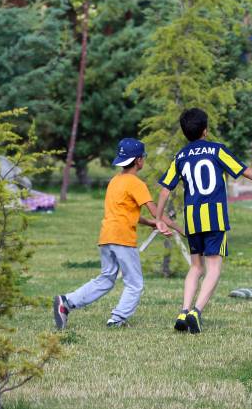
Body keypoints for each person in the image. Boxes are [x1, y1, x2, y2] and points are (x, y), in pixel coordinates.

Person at [154, 108, 252, 334]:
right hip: (214, 217)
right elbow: (242, 170)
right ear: (206, 130)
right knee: (213, 268)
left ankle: (183, 311)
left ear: (185, 133)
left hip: (193, 218)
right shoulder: (216, 150)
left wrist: (158, 219)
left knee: (196, 267)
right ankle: (196, 311)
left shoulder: (180, 157)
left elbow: (165, 190)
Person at [52, 138, 179, 330]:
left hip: (107, 237)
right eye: (143, 157)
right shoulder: (136, 183)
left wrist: (151, 223)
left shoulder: (115, 181)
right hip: (123, 238)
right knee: (135, 283)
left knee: (106, 278)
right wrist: (176, 228)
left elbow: (127, 213)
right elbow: (156, 211)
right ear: (138, 160)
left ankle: (66, 302)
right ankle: (118, 319)